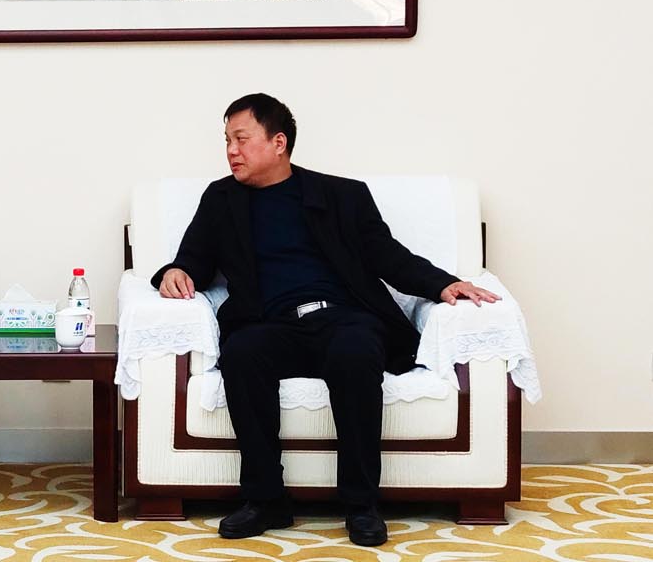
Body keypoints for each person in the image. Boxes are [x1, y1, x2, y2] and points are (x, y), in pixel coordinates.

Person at [154, 93, 498, 547]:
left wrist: (444, 284)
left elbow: (387, 256)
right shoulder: (221, 199)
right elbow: (192, 259)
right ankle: (265, 500)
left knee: (356, 352)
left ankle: (361, 505)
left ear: (278, 143)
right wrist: (175, 271)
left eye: (241, 139)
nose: (231, 151)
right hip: (270, 323)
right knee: (241, 353)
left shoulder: (342, 195)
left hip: (343, 318)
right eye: (227, 141)